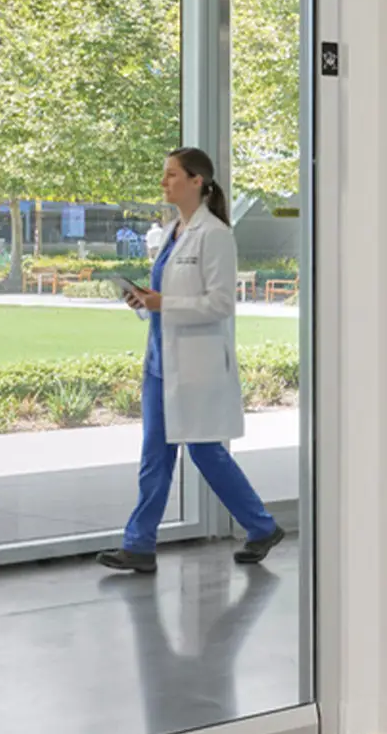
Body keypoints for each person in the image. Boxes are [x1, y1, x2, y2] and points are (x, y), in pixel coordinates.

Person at [95, 148, 283, 574]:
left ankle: (262, 525)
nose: (164, 183)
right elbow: (168, 298)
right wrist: (144, 302)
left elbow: (219, 304)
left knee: (205, 454)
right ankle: (139, 545)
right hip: (161, 362)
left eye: (172, 175)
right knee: (155, 458)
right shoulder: (174, 231)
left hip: (195, 366)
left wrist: (165, 302)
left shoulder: (214, 235)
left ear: (197, 181)